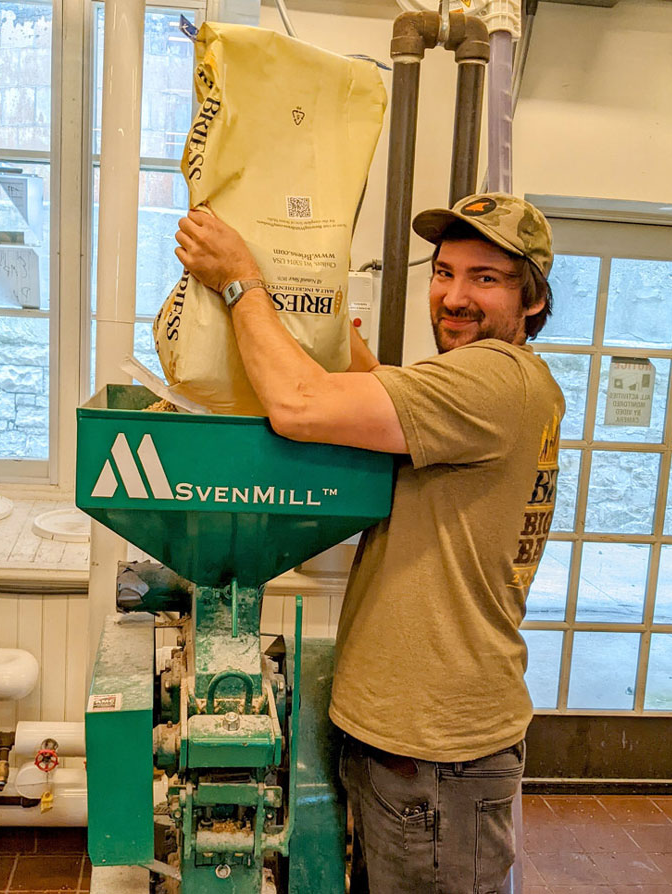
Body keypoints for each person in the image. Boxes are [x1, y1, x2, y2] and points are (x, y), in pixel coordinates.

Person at [175, 192, 565, 894]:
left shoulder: (492, 377)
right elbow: (383, 392)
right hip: (422, 749)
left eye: (486, 278)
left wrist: (240, 282)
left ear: (532, 301)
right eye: (444, 272)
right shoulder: (502, 384)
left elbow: (298, 406)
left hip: (435, 758)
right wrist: (329, 329)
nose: (454, 296)